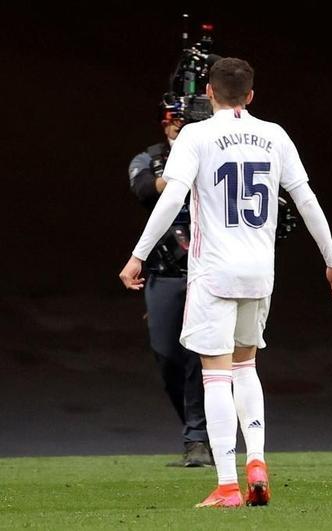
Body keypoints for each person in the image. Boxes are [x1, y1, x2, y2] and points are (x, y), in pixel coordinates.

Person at [119, 57, 332, 508]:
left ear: (209, 92)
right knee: (247, 368)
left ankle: (227, 484)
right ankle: (258, 460)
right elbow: (306, 199)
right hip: (260, 272)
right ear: (250, 95)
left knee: (215, 375)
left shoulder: (196, 135)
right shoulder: (275, 135)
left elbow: (170, 202)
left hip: (214, 271)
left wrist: (138, 255)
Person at [128, 111, 212, 467]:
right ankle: (198, 431)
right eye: (172, 121)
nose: (176, 127)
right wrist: (179, 173)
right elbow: (144, 189)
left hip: (205, 269)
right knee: (167, 356)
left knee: (200, 358)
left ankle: (199, 438)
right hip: (163, 272)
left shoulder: (212, 152)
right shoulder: (149, 158)